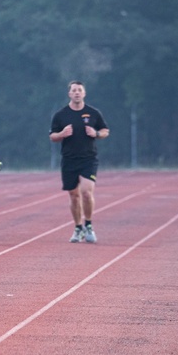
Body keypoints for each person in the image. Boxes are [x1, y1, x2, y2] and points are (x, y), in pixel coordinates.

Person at [49, 80, 109, 243]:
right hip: (69, 159)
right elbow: (52, 136)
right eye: (74, 90)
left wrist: (96, 133)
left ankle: (88, 225)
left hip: (88, 158)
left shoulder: (93, 113)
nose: (77, 93)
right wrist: (61, 134)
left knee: (86, 192)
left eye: (79, 90)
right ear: (69, 94)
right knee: (74, 195)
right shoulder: (61, 115)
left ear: (84, 93)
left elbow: (105, 131)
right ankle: (78, 227)